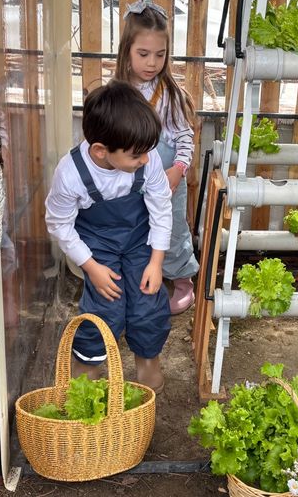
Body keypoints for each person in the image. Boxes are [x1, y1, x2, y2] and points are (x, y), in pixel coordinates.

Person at [45, 80, 172, 393]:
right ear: (101, 151)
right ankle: (87, 375)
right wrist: (91, 267)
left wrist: (156, 261)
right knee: (104, 308)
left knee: (148, 302)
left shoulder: (146, 156)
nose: (145, 160)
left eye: (147, 153)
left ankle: (147, 367)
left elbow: (160, 207)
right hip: (97, 244)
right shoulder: (71, 173)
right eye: (136, 156)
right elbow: (59, 223)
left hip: (140, 238)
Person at [115, 0, 200, 315]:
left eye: (160, 55)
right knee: (135, 227)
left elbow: (183, 136)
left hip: (166, 179)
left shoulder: (169, 94)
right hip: (128, 178)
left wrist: (178, 169)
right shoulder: (118, 92)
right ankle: (140, 278)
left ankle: (182, 281)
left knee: (173, 228)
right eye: (143, 54)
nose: (152, 63)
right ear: (126, 51)